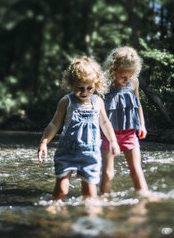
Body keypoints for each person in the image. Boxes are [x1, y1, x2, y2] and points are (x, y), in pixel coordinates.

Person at [37, 57, 120, 201]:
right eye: (80, 88)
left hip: (91, 153)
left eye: (90, 88)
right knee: (62, 190)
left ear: (96, 85)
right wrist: (44, 142)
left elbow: (105, 123)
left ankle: (88, 218)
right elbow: (55, 123)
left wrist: (113, 141)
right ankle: (55, 209)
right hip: (68, 151)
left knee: (89, 193)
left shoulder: (98, 101)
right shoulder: (66, 101)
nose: (85, 92)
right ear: (71, 84)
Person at [100, 47, 149, 196]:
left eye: (130, 75)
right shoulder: (104, 85)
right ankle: (103, 198)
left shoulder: (134, 82)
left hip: (129, 133)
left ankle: (144, 197)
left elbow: (137, 103)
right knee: (108, 173)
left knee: (136, 170)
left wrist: (142, 124)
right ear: (113, 70)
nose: (126, 80)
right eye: (123, 76)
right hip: (108, 135)